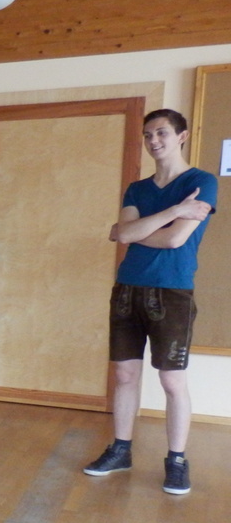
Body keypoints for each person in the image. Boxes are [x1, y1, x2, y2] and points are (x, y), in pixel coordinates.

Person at [84, 109, 216, 495]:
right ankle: (120, 450)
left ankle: (176, 460)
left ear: (182, 136)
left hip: (172, 291)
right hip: (128, 288)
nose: (153, 140)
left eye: (161, 133)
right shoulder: (137, 188)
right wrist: (174, 211)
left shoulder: (201, 182)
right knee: (125, 376)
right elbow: (125, 234)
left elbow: (173, 239)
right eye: (147, 134)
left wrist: (132, 230)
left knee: (172, 380)